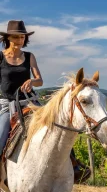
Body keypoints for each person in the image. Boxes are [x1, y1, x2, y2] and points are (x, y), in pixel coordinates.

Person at [0, 20, 90, 183]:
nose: (20, 41)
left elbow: (39, 80)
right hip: (7, 103)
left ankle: (75, 165)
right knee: (1, 136)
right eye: (16, 37)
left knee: (56, 124)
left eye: (22, 38)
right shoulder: (0, 57)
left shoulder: (29, 56)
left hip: (29, 101)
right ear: (8, 38)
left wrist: (32, 82)